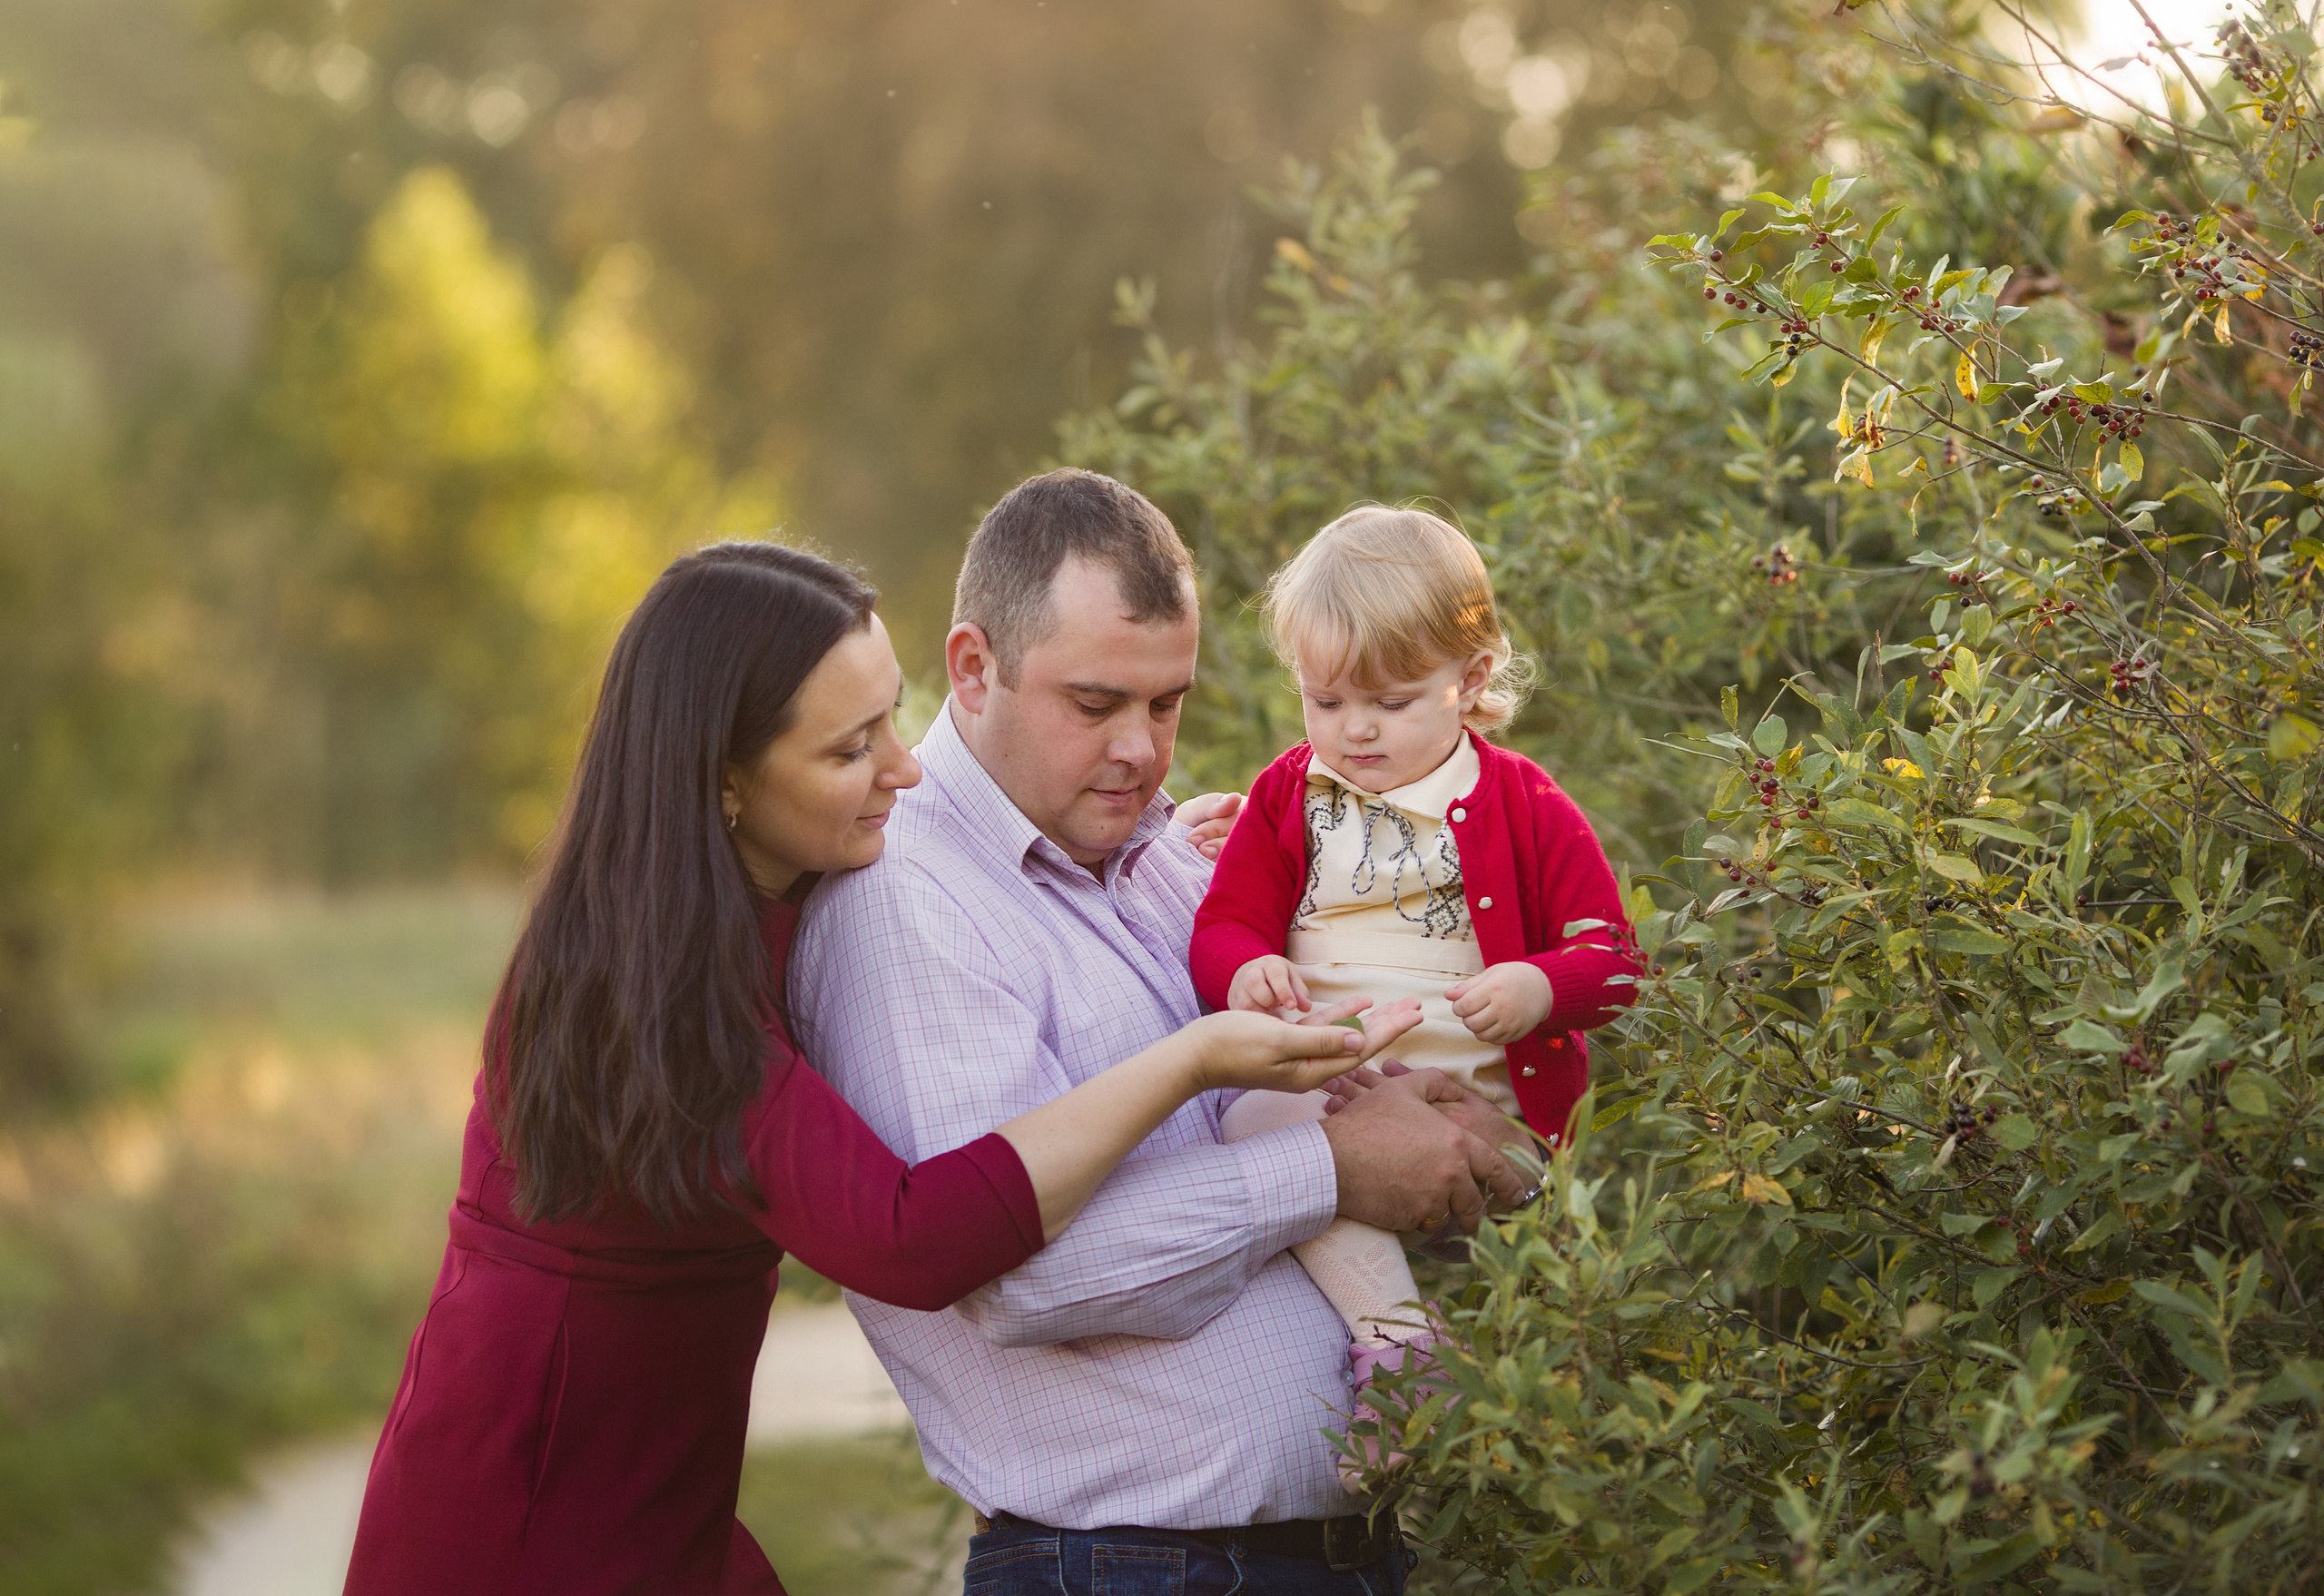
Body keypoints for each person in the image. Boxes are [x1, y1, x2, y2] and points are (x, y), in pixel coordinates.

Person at [341, 542, 1388, 1596]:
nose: (906, 766)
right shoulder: (648, 994)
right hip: (526, 1520)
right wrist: (1191, 1061)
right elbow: (914, 1237)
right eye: (850, 750)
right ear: (727, 783)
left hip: (669, 1499)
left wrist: (1158, 851)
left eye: (893, 717)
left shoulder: (752, 914)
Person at [792, 469, 1528, 1596]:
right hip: (1130, 1568)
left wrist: (1424, 1107)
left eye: (1165, 702)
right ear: (973, 667)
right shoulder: (907, 903)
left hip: (1320, 1557)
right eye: (1095, 706)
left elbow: (1285, 1095)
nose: (1140, 749)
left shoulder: (1159, 860)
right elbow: (1022, 1276)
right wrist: (1328, 1170)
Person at [1191, 504, 1641, 1405]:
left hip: (1494, 1124)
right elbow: (1223, 923)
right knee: (1249, 1130)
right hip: (1339, 1097)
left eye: (1389, 703)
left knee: (1526, 1344)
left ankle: (1466, 1383)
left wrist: (1540, 986)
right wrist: (1243, 969)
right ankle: (1399, 1350)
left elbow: (1617, 963)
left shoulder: (1522, 802)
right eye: (1326, 701)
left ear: (1469, 679)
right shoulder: (1290, 794)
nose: (1355, 730)